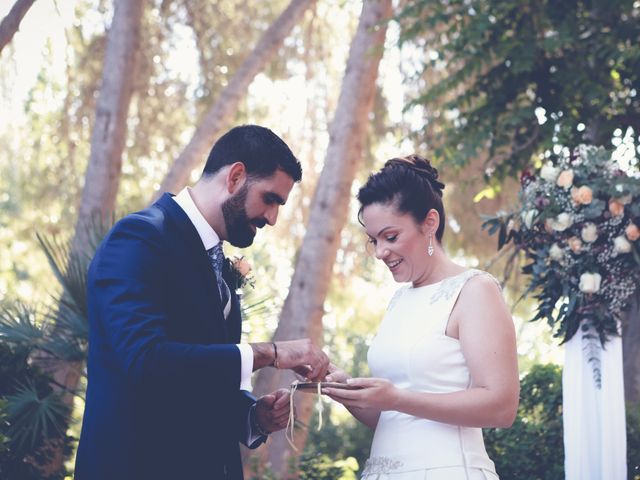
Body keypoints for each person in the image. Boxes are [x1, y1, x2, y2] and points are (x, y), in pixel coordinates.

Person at [75, 125, 330, 480]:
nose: (272, 218)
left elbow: (195, 382)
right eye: (270, 199)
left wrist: (252, 417)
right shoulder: (140, 238)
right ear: (236, 176)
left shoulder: (220, 266)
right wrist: (269, 353)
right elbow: (146, 360)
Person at [324, 155, 519, 479]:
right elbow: (394, 416)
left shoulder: (474, 290)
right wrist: (347, 390)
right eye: (374, 240)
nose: (380, 252)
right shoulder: (399, 301)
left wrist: (397, 398)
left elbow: (501, 406)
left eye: (390, 236)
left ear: (430, 222)